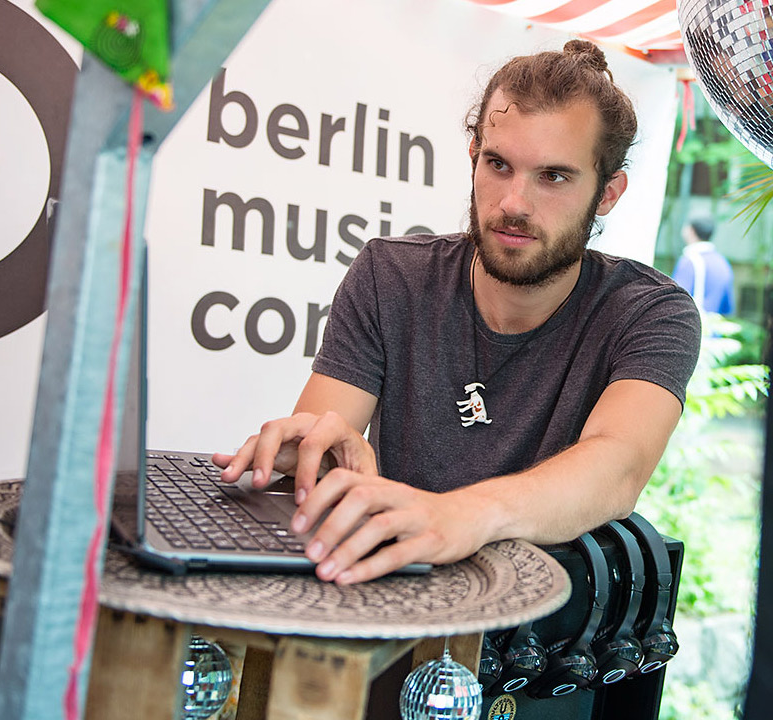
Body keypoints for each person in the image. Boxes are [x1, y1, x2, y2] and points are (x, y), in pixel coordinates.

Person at [214, 40, 702, 584]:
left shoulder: (649, 312)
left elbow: (618, 468)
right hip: (389, 591)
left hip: (543, 618)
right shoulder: (390, 275)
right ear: (474, 158)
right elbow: (326, 442)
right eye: (498, 165)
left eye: (553, 176)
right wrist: (318, 457)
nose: (513, 203)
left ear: (608, 193)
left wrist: (462, 515)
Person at [671, 216, 735, 315]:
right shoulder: (723, 262)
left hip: (693, 322)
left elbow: (675, 302)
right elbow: (727, 308)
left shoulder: (689, 261)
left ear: (691, 231)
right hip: (714, 323)